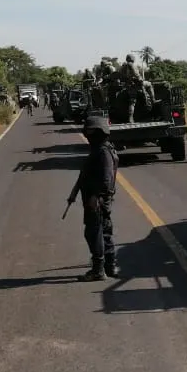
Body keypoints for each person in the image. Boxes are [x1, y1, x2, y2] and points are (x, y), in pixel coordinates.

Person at [68, 115, 119, 280]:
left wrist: (96, 197)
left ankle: (99, 269)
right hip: (100, 200)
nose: (87, 135)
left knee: (94, 232)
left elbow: (106, 179)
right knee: (104, 232)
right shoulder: (102, 149)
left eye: (90, 132)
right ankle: (110, 266)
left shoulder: (103, 152)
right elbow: (84, 176)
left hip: (97, 200)